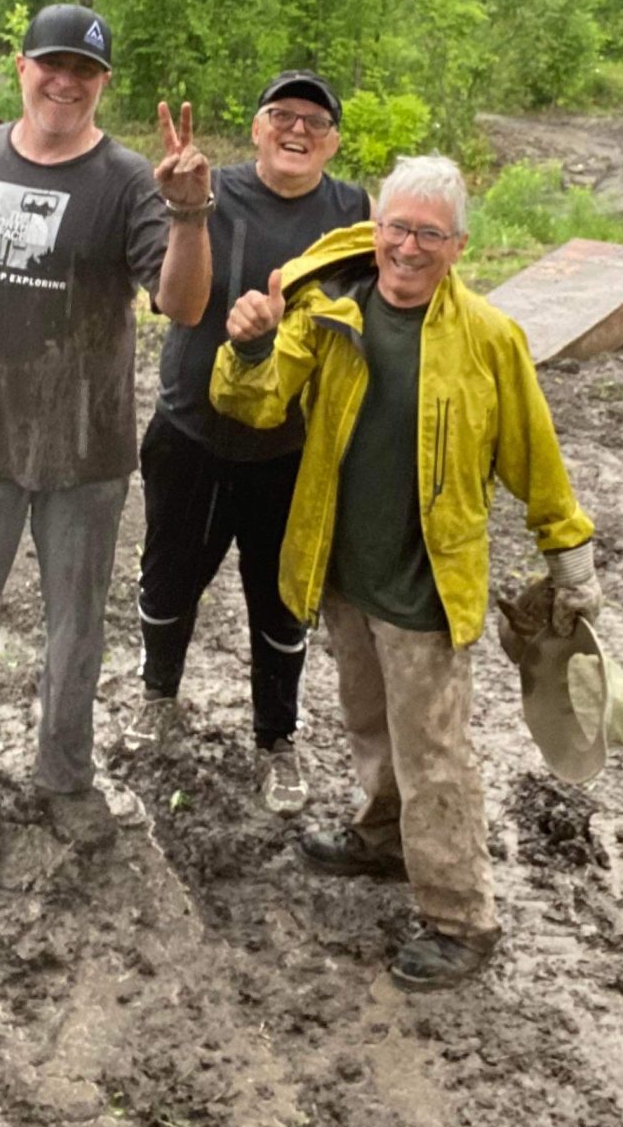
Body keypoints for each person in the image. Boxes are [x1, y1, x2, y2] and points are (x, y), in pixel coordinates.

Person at [211, 156, 599, 990]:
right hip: (344, 569)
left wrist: (569, 560)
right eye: (397, 227)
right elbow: (257, 403)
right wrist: (245, 345)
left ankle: (461, 917)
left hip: (427, 583)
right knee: (367, 721)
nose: (408, 247)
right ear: (374, 227)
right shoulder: (329, 314)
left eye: (429, 233)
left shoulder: (490, 339)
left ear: (458, 245)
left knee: (436, 754)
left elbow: (536, 456)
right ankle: (384, 837)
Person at [0, 5, 212, 846]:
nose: (65, 82)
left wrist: (192, 216)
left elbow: (184, 303)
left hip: (85, 452)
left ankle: (64, 775)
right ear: (21, 68)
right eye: (51, 65)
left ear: (103, 83)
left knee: (75, 625)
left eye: (84, 71)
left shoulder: (129, 180)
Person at [127, 71, 370, 813]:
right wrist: (185, 205)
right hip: (191, 430)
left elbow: (365, 315)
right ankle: (157, 695)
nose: (297, 131)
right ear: (259, 127)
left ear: (332, 141)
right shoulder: (211, 188)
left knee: (280, 601)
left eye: (314, 122)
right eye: (282, 116)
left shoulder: (351, 211)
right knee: (168, 578)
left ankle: (277, 740)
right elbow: (168, 295)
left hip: (289, 449)